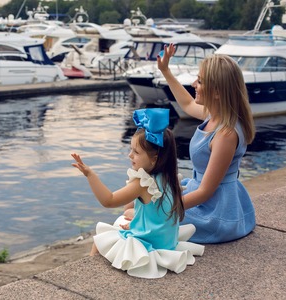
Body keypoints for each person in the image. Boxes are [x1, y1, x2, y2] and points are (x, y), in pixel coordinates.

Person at [71, 108, 204, 279]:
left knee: (101, 240)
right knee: (127, 215)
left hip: (149, 244)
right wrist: (134, 221)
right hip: (166, 241)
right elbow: (155, 213)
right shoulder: (170, 178)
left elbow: (109, 200)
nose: (130, 155)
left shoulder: (143, 182)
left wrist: (90, 175)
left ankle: (88, 276)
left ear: (154, 158)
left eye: (136, 152)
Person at [157, 43, 256, 243]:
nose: (194, 84)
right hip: (204, 198)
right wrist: (165, 71)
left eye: (200, 81)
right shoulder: (215, 116)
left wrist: (165, 212)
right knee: (136, 206)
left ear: (217, 92)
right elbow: (186, 104)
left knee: (140, 218)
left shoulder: (225, 134)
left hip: (215, 212)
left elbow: (205, 192)